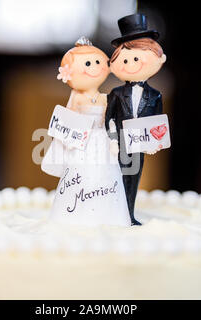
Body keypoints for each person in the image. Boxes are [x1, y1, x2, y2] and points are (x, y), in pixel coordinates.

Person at [42, 37, 131, 227]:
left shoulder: (107, 98)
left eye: (99, 62)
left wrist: (114, 140)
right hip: (82, 142)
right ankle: (77, 215)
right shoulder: (76, 98)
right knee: (81, 173)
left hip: (103, 141)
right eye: (89, 63)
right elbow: (68, 119)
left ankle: (107, 215)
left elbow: (111, 120)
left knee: (106, 174)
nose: (96, 67)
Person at [105, 14, 167, 225]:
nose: (132, 64)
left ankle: (128, 214)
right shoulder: (115, 94)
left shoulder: (156, 95)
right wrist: (112, 140)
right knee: (115, 177)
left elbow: (157, 123)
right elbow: (109, 118)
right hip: (119, 144)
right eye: (125, 59)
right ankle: (113, 212)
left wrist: (154, 143)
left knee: (133, 179)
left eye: (138, 58)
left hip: (139, 145)